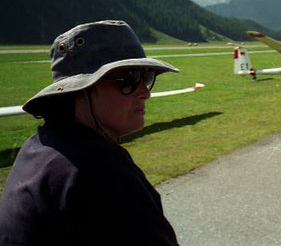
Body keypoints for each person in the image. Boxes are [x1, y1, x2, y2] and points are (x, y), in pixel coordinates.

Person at [0, 20, 181, 245]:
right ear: (79, 91)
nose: (145, 93)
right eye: (130, 79)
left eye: (145, 77)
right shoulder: (100, 167)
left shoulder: (38, 146)